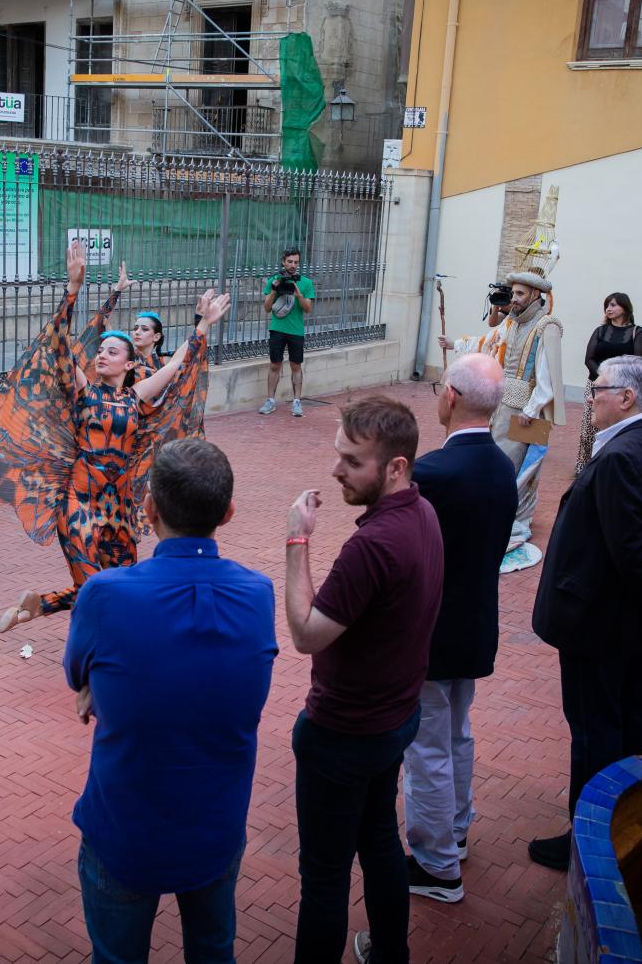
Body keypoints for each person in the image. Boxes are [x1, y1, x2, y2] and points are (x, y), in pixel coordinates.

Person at [63, 438, 276, 963]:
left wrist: (101, 685)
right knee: (212, 951)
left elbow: (76, 672)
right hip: (215, 829)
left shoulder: (106, 593)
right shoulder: (259, 592)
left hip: (125, 831)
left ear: (150, 509)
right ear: (227, 513)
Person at [0, 240, 225, 632]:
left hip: (119, 507)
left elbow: (180, 364)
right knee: (96, 585)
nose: (101, 356)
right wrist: (72, 289)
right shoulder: (84, 391)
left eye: (112, 353)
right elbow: (58, 346)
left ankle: (42, 605)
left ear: (129, 364)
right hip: (77, 501)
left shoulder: (137, 396)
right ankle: (96, 655)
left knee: (120, 585)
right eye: (101, 351)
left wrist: (203, 324)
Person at [527, 356, 642, 872]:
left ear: (627, 397)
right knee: (633, 721)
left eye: (597, 388)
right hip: (640, 625)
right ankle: (630, 813)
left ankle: (589, 838)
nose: (590, 397)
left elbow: (628, 549)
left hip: (601, 626)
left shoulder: (620, 458)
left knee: (596, 730)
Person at [284, 395, 442, 964]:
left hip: (344, 733)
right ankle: (391, 951)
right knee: (377, 837)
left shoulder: (372, 545)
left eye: (352, 461)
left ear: (395, 467)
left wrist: (297, 539)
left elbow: (305, 633)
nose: (335, 470)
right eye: (337, 456)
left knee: (323, 874)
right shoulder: (421, 513)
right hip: (394, 720)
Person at [403, 355, 515, 904]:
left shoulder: (432, 473)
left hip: (431, 631)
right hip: (474, 625)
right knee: (456, 734)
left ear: (449, 397)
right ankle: (458, 829)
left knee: (426, 748)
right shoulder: (501, 465)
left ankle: (436, 864)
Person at [441, 271, 565, 569]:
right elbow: (487, 341)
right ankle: (501, 514)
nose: (514, 299)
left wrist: (532, 409)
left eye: (520, 294)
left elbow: (549, 375)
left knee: (522, 467)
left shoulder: (547, 326)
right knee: (501, 461)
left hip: (528, 412)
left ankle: (514, 520)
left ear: (536, 296)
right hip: (505, 405)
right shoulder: (512, 321)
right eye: (514, 294)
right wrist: (455, 345)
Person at [575, 292, 642, 472]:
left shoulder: (637, 332)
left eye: (614, 305)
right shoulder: (600, 331)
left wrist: (615, 381)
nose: (609, 308)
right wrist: (604, 379)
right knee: (589, 428)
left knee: (616, 426)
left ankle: (609, 467)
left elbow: (637, 361)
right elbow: (589, 359)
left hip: (622, 389)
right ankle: (584, 467)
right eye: (607, 305)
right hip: (595, 385)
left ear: (625, 308)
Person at [259, 248, 315, 418]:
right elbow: (267, 308)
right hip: (277, 329)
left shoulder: (305, 283)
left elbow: (308, 309)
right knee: (275, 364)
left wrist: (298, 295)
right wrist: (275, 290)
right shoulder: (273, 280)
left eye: (296, 262)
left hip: (296, 331)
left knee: (295, 366)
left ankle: (297, 402)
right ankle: (270, 400)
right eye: (290, 262)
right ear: (283, 261)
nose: (293, 265)